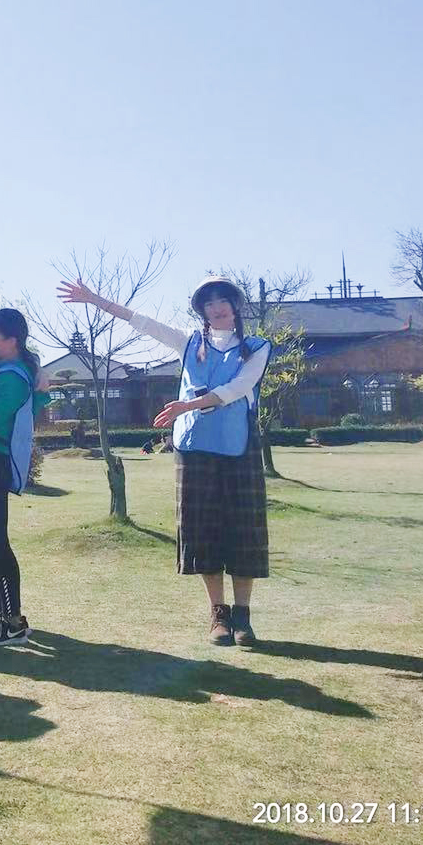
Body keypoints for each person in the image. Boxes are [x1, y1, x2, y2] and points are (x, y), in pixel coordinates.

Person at [58, 276, 272, 645]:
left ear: (235, 305)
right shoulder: (189, 342)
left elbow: (238, 388)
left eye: (223, 300)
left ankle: (243, 616)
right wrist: (94, 299)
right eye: (209, 303)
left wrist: (188, 405)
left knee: (244, 528)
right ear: (202, 310)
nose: (217, 308)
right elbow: (141, 321)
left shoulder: (256, 347)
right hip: (195, 445)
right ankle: (218, 614)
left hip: (238, 445)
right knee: (202, 528)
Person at [0, 309, 49, 646]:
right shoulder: (7, 371)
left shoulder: (10, 378)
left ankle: (12, 621)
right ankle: (3, 616)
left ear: (11, 340)